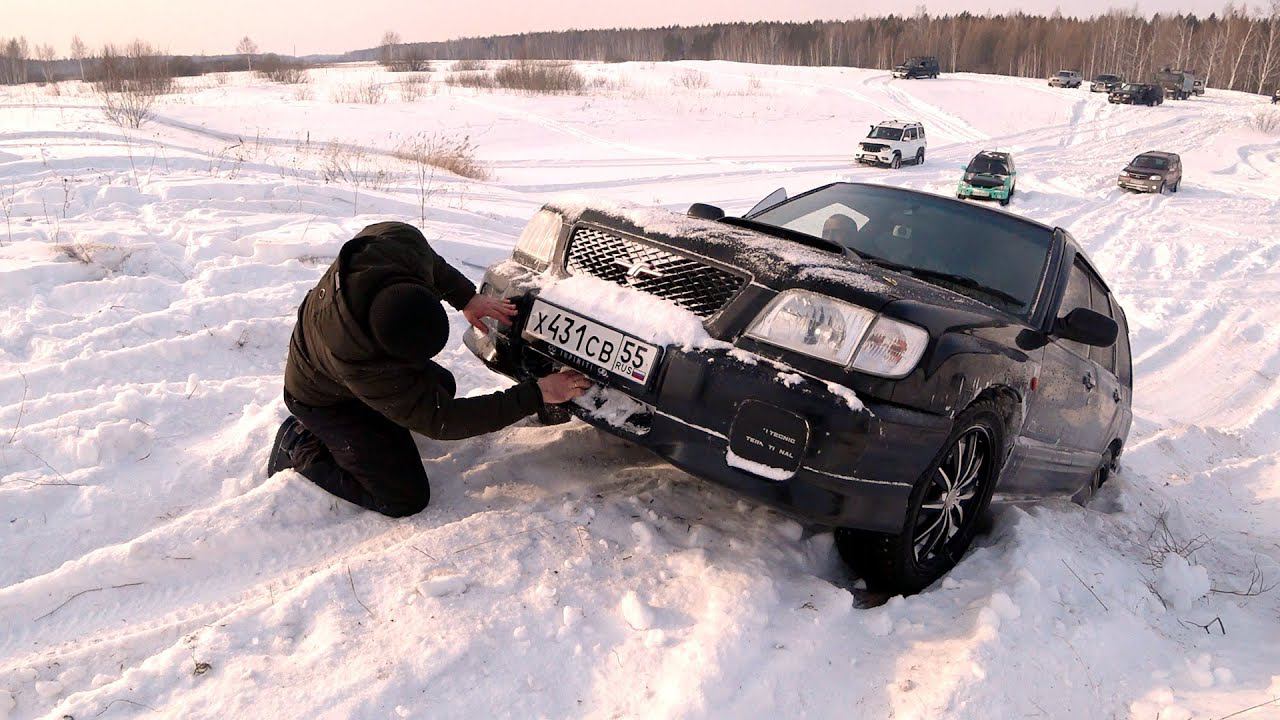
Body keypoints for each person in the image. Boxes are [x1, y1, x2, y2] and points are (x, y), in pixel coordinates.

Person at [267, 221, 590, 517]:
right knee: (403, 498)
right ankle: (301, 445)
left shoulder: (396, 245)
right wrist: (538, 393)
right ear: (387, 354)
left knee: (440, 385)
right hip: (325, 400)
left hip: (344, 364)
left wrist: (466, 298)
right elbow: (442, 421)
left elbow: (429, 263)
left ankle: (376, 428)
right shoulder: (357, 358)